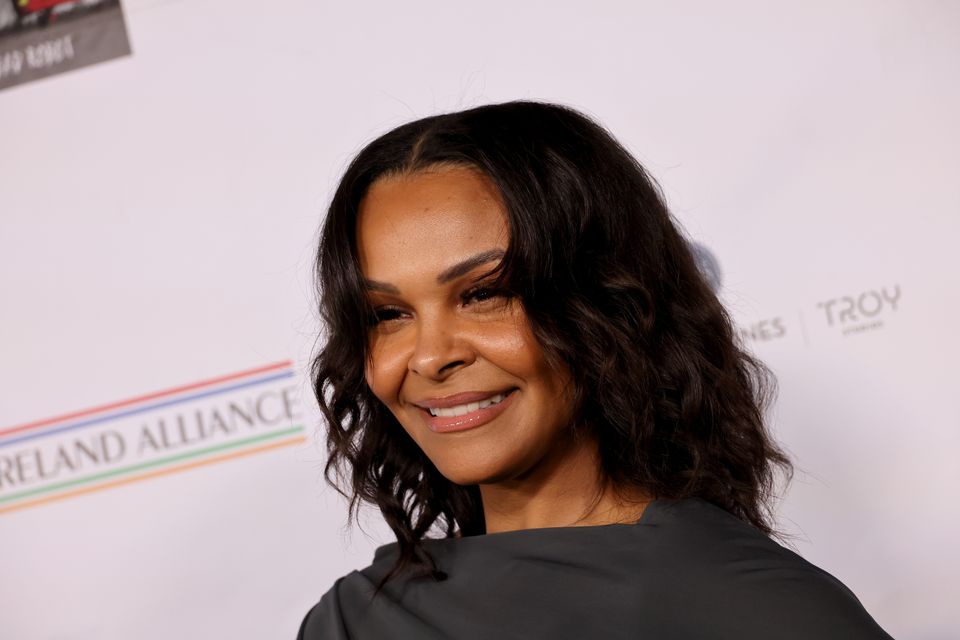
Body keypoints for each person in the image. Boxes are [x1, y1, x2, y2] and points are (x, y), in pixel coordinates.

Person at [298, 101, 893, 639]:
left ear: (608, 304)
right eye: (388, 313)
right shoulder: (355, 623)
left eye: (484, 295)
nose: (429, 356)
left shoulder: (767, 616)